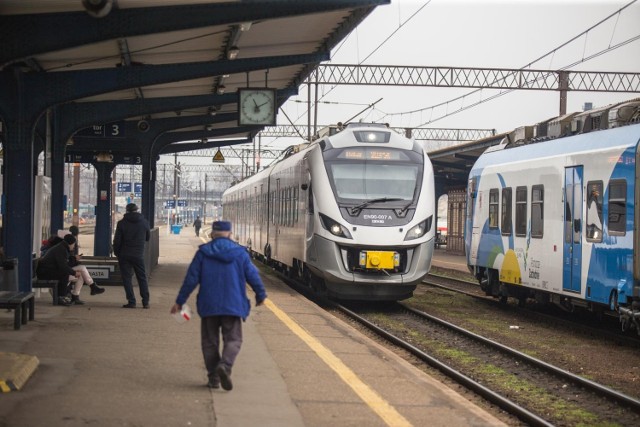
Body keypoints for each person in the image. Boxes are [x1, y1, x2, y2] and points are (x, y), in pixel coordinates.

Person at [171, 220, 267, 391]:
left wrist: (180, 301)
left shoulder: (203, 253)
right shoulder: (240, 253)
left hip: (209, 305)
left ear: (213, 234)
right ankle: (225, 365)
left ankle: (214, 378)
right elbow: (253, 277)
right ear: (230, 234)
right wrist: (261, 295)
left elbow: (191, 279)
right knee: (234, 339)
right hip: (233, 304)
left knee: (209, 342)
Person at [113, 203, 151, 309]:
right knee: (142, 278)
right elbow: (148, 237)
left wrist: (117, 253)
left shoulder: (121, 223)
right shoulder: (144, 222)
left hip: (124, 254)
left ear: (127, 211)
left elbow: (117, 241)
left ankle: (131, 301)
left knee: (127, 278)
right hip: (138, 255)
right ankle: (145, 302)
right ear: (137, 210)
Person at [36, 234, 90, 305]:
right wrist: (74, 273)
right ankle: (60, 297)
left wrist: (74, 260)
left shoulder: (62, 248)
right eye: (73, 244)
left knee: (71, 273)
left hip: (48, 271)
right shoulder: (61, 249)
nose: (74, 247)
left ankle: (72, 297)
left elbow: (65, 262)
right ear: (70, 244)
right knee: (64, 273)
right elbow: (63, 266)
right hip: (45, 273)